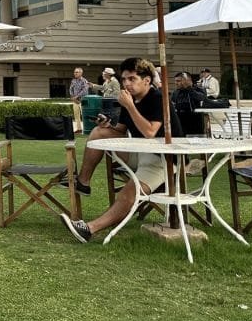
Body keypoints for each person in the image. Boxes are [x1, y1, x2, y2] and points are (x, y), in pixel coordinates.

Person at [61, 57, 171, 243]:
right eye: (124, 79)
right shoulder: (130, 99)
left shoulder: (158, 98)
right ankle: (84, 181)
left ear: (147, 80)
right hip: (138, 152)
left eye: (132, 79)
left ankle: (89, 229)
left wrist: (130, 106)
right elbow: (120, 130)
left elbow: (150, 132)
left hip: (162, 159)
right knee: (98, 132)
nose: (126, 84)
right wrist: (107, 124)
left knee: (129, 193)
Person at [172, 71, 206, 136]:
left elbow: (201, 98)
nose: (176, 83)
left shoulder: (198, 89)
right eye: (175, 81)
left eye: (178, 81)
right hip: (180, 123)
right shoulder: (176, 92)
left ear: (188, 81)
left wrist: (189, 88)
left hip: (195, 123)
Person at [69, 68, 90, 132]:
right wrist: (72, 97)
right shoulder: (73, 81)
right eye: (74, 72)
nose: (75, 73)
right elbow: (70, 89)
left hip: (82, 100)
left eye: (77, 72)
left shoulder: (84, 81)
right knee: (76, 115)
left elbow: (85, 91)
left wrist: (77, 96)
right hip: (75, 101)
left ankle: (87, 128)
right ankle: (79, 129)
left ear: (81, 73)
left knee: (84, 115)